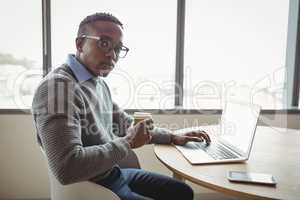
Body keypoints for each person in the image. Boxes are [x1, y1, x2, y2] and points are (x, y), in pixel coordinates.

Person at [32, 12, 211, 200]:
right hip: (92, 187)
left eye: (118, 48)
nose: (112, 55)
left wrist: (173, 136)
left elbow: (126, 124)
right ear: (79, 44)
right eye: (104, 43)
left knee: (182, 192)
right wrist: (128, 143)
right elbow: (67, 167)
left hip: (112, 173)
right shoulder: (57, 88)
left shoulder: (96, 81)